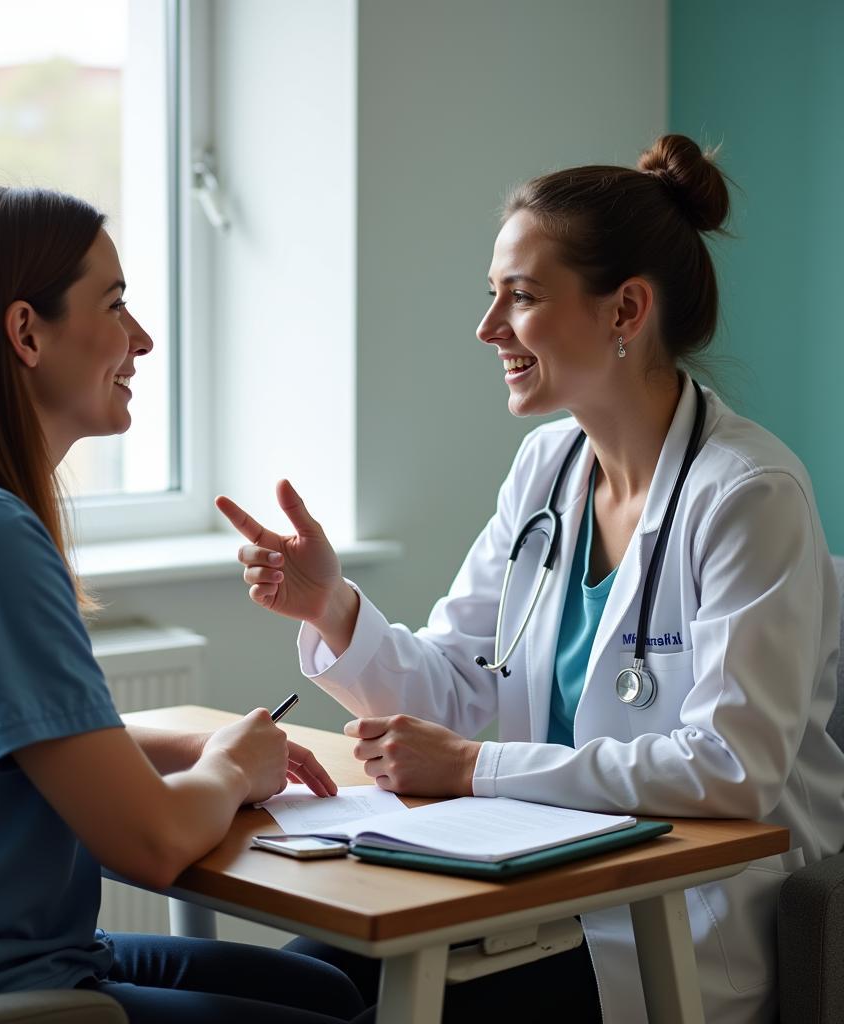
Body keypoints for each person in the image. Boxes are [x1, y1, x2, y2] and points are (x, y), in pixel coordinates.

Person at [216, 134, 844, 1024]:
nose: (488, 328)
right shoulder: (546, 468)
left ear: (626, 310)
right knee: (298, 987)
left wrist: (477, 769)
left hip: (667, 926)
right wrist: (334, 608)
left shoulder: (748, 495)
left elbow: (732, 770)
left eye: (522, 297)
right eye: (492, 296)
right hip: (526, 885)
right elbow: (461, 686)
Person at [0, 184, 368, 1024]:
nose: (141, 339)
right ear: (26, 332)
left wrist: (187, 744)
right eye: (115, 306)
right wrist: (231, 769)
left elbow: (10, 735)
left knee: (326, 991)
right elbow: (149, 844)